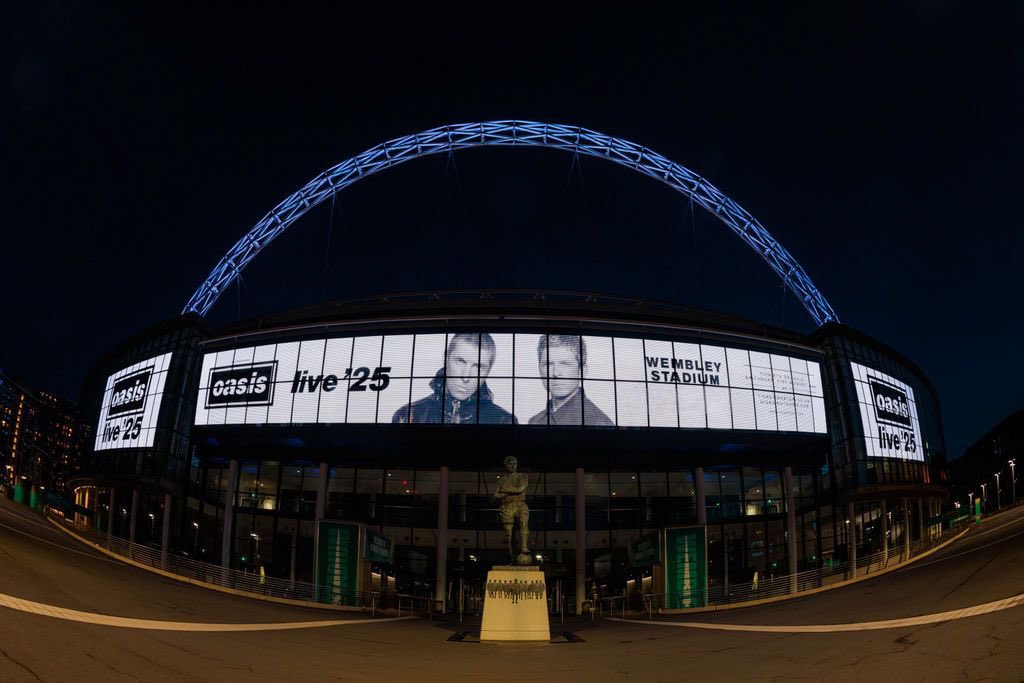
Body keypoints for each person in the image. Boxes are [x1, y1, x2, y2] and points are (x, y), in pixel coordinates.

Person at [392, 332, 515, 424]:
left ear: (488, 372)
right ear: (446, 359)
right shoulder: (407, 415)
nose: (466, 376)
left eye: (478, 367)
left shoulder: (505, 421)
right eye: (460, 361)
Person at [529, 335, 613, 426]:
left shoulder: (599, 423)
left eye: (565, 364)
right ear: (539, 369)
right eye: (548, 364)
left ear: (582, 371)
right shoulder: (534, 421)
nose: (556, 373)